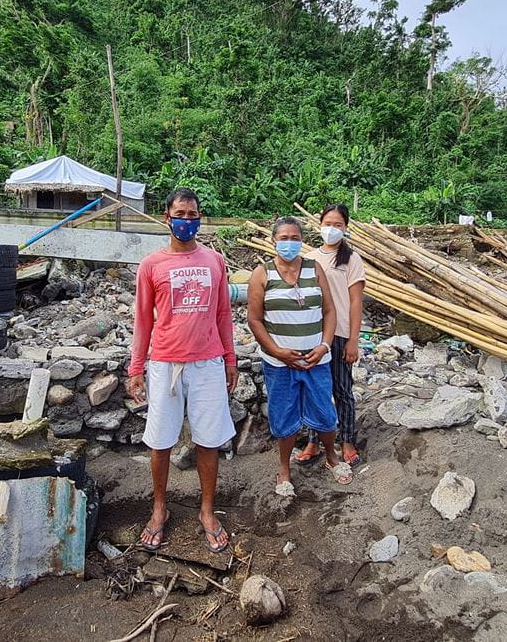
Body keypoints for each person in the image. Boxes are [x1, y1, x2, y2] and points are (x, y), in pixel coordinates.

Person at [126, 187, 238, 554]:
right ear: (166, 217)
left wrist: (230, 359)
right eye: (180, 214)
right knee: (161, 441)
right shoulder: (151, 265)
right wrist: (136, 367)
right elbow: (143, 319)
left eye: (192, 215)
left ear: (199, 218)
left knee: (208, 440)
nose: (186, 221)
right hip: (164, 363)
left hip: (207, 363)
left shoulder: (215, 261)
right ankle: (159, 508)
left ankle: (206, 510)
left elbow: (223, 314)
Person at [247, 216, 353, 497]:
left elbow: (329, 311)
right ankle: (284, 469)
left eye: (295, 238)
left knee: (325, 413)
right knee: (284, 417)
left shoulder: (314, 268)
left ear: (303, 241)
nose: (290, 243)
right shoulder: (262, 273)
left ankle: (332, 458)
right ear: (273, 240)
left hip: (317, 360)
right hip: (279, 364)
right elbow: (255, 320)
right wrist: (277, 351)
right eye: (284, 238)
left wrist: (325, 346)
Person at [296, 204, 367, 467]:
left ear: (346, 228)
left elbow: (355, 302)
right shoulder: (310, 258)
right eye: (328, 223)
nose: (332, 229)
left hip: (339, 334)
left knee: (342, 389)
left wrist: (353, 340)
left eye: (338, 225)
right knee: (315, 389)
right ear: (319, 225)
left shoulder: (351, 260)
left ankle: (347, 440)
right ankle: (314, 441)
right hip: (314, 334)